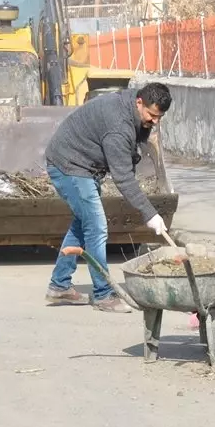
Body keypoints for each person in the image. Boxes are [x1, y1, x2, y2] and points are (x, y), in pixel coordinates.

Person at [43, 83, 172, 314]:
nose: (155, 122)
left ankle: (59, 285)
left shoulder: (133, 105)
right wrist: (150, 213)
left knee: (85, 223)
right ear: (139, 102)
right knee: (97, 226)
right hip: (69, 165)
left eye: (159, 117)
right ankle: (103, 295)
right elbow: (123, 179)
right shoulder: (118, 127)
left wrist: (137, 150)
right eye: (152, 116)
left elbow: (136, 139)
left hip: (83, 164)